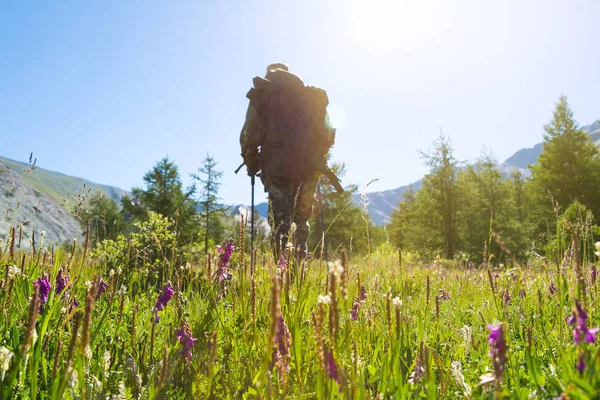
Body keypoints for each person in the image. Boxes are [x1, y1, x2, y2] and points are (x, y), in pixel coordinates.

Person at [239, 63, 341, 259]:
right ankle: (298, 272)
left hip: (278, 170)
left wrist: (251, 162)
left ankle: (283, 277)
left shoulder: (265, 93)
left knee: (281, 223)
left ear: (270, 72)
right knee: (301, 221)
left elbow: (249, 135)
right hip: (309, 170)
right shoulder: (309, 97)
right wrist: (317, 160)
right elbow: (328, 133)